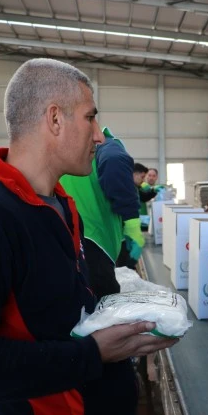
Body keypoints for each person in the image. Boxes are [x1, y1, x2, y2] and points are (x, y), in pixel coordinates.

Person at [0, 58, 177, 415]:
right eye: (90, 119)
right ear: (55, 119)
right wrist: (92, 355)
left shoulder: (60, 205)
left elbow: (57, 314)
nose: (99, 137)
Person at [60, 128, 145, 299]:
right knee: (105, 301)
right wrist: (131, 221)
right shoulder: (106, 144)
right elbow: (114, 160)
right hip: (95, 238)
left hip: (69, 233)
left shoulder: (65, 149)